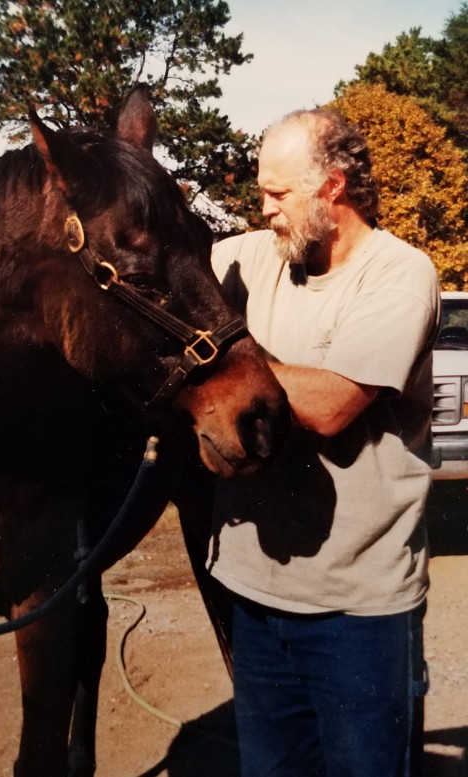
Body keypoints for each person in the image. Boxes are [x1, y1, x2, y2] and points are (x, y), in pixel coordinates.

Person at [208, 108, 440, 777]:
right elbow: (164, 278)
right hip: (254, 600)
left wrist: (214, 365)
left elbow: (332, 404)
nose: (264, 208)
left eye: (278, 194)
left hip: (358, 617)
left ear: (333, 187)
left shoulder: (400, 274)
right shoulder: (253, 257)